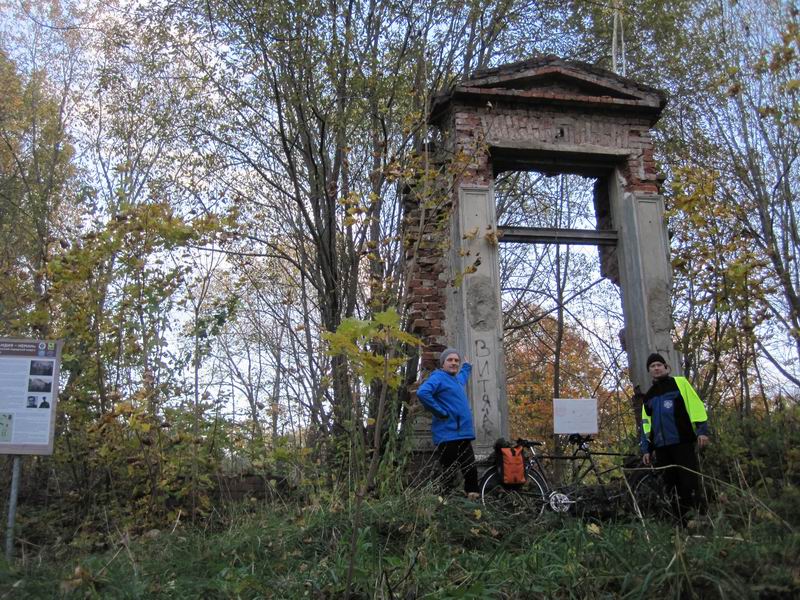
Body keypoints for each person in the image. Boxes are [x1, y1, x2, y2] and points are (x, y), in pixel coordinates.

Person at [640, 352, 710, 520]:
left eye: (659, 365)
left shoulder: (680, 383)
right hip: (662, 448)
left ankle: (699, 519)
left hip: (682, 442)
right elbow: (646, 425)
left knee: (689, 481)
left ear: (665, 367)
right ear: (649, 371)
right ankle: (681, 522)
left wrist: (702, 431)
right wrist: (646, 449)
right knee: (671, 485)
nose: (656, 368)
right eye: (652, 366)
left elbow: (696, 407)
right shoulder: (648, 396)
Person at [416, 347, 479, 499]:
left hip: (462, 434)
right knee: (448, 472)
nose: (454, 363)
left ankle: (473, 502)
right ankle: (443, 502)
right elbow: (423, 392)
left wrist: (466, 367)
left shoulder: (455, 379)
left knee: (470, 469)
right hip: (448, 435)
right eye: (450, 360)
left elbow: (462, 377)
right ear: (443, 363)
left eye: (456, 360)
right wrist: (440, 412)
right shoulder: (438, 377)